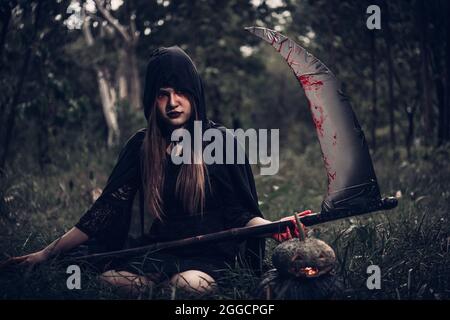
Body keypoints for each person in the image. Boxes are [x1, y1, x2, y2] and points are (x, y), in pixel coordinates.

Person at [6, 46, 308, 296]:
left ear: (194, 96)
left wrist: (273, 226)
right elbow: (105, 211)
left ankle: (160, 288)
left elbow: (240, 214)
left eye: (181, 93)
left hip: (210, 256)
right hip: (161, 251)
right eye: (163, 94)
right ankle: (153, 286)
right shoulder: (141, 145)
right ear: (152, 100)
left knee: (187, 287)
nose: (172, 102)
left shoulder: (220, 141)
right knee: (107, 282)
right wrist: (46, 252)